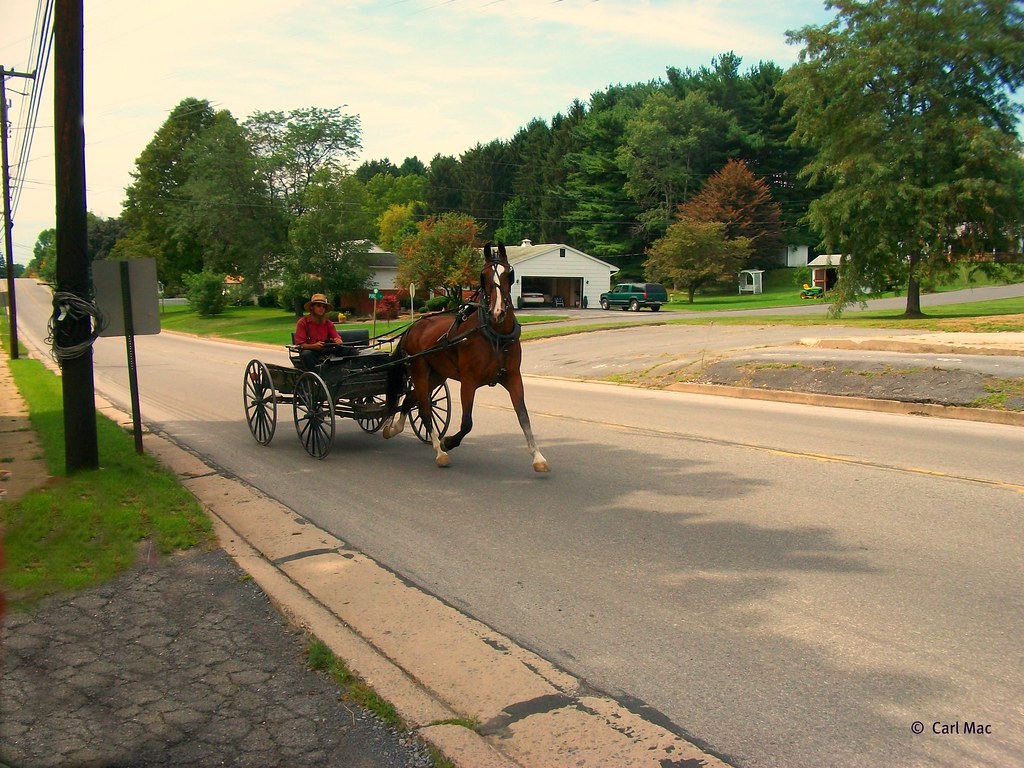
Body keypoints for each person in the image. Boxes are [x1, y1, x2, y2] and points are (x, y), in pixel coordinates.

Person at [295, 293, 343, 370]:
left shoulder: (328, 323)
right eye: (319, 306)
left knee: (349, 350)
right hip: (311, 351)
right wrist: (314, 346)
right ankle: (317, 375)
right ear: (312, 307)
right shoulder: (303, 322)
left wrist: (338, 340)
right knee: (306, 354)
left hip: (326, 350)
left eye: (324, 307)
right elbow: (300, 345)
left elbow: (336, 336)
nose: (322, 308)